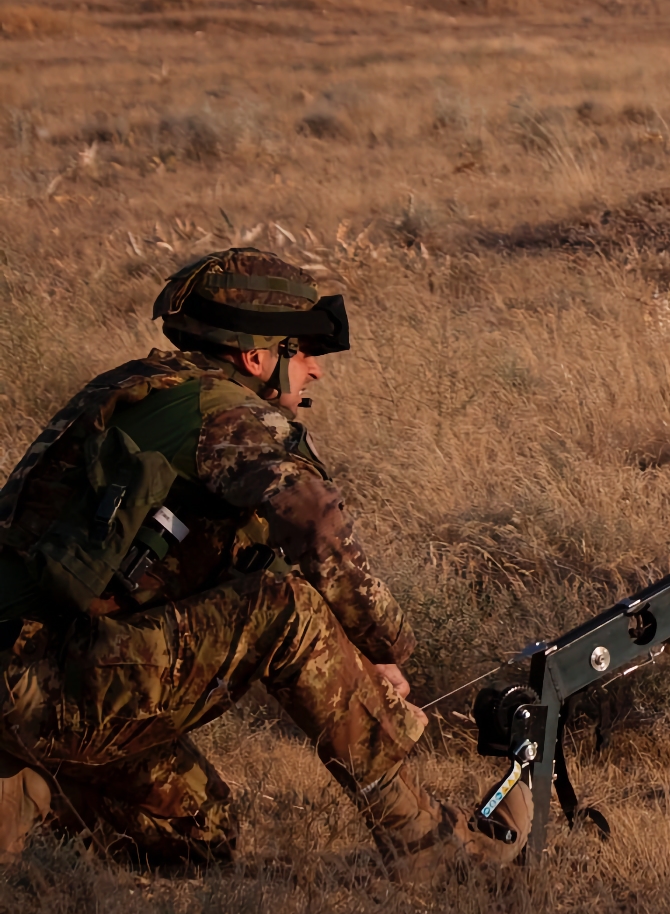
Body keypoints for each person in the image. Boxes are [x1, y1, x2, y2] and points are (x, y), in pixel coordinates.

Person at [0, 248, 525, 872]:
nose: (314, 372)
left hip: (32, 679)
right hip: (43, 677)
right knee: (288, 611)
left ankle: (26, 794)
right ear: (256, 356)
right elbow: (315, 525)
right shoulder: (222, 414)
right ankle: (431, 848)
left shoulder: (137, 391)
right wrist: (386, 647)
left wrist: (354, 662)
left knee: (202, 835)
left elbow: (234, 564)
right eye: (302, 352)